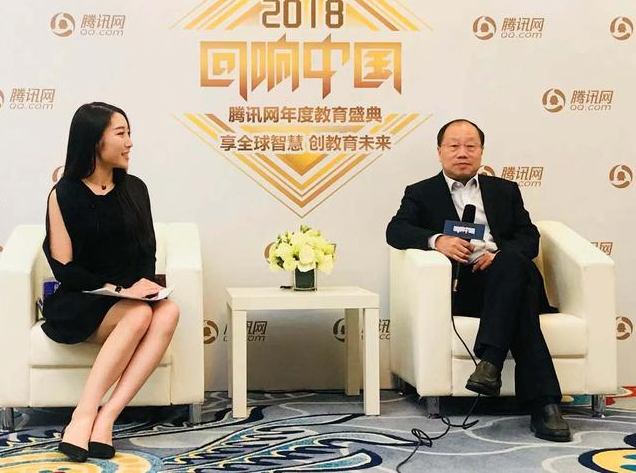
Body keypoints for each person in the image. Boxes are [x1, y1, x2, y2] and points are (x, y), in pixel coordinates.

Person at [386, 119, 571, 442]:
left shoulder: (504, 190)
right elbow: (396, 231)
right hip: (467, 287)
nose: (463, 153)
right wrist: (437, 241)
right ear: (440, 151)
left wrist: (499, 255)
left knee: (512, 262)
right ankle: (545, 405)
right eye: (454, 146)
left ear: (481, 151)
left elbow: (529, 238)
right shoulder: (421, 193)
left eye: (470, 146)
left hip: (506, 274)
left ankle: (490, 363)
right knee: (519, 301)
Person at [42, 102, 180, 461]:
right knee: (137, 313)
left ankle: (106, 418)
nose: (130, 142)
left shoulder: (136, 189)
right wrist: (120, 290)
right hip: (82, 298)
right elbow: (64, 269)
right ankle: (82, 417)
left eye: (129, 133)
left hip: (130, 298)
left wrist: (146, 288)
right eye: (121, 133)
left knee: (168, 311)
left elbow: (146, 254)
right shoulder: (64, 194)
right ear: (94, 140)